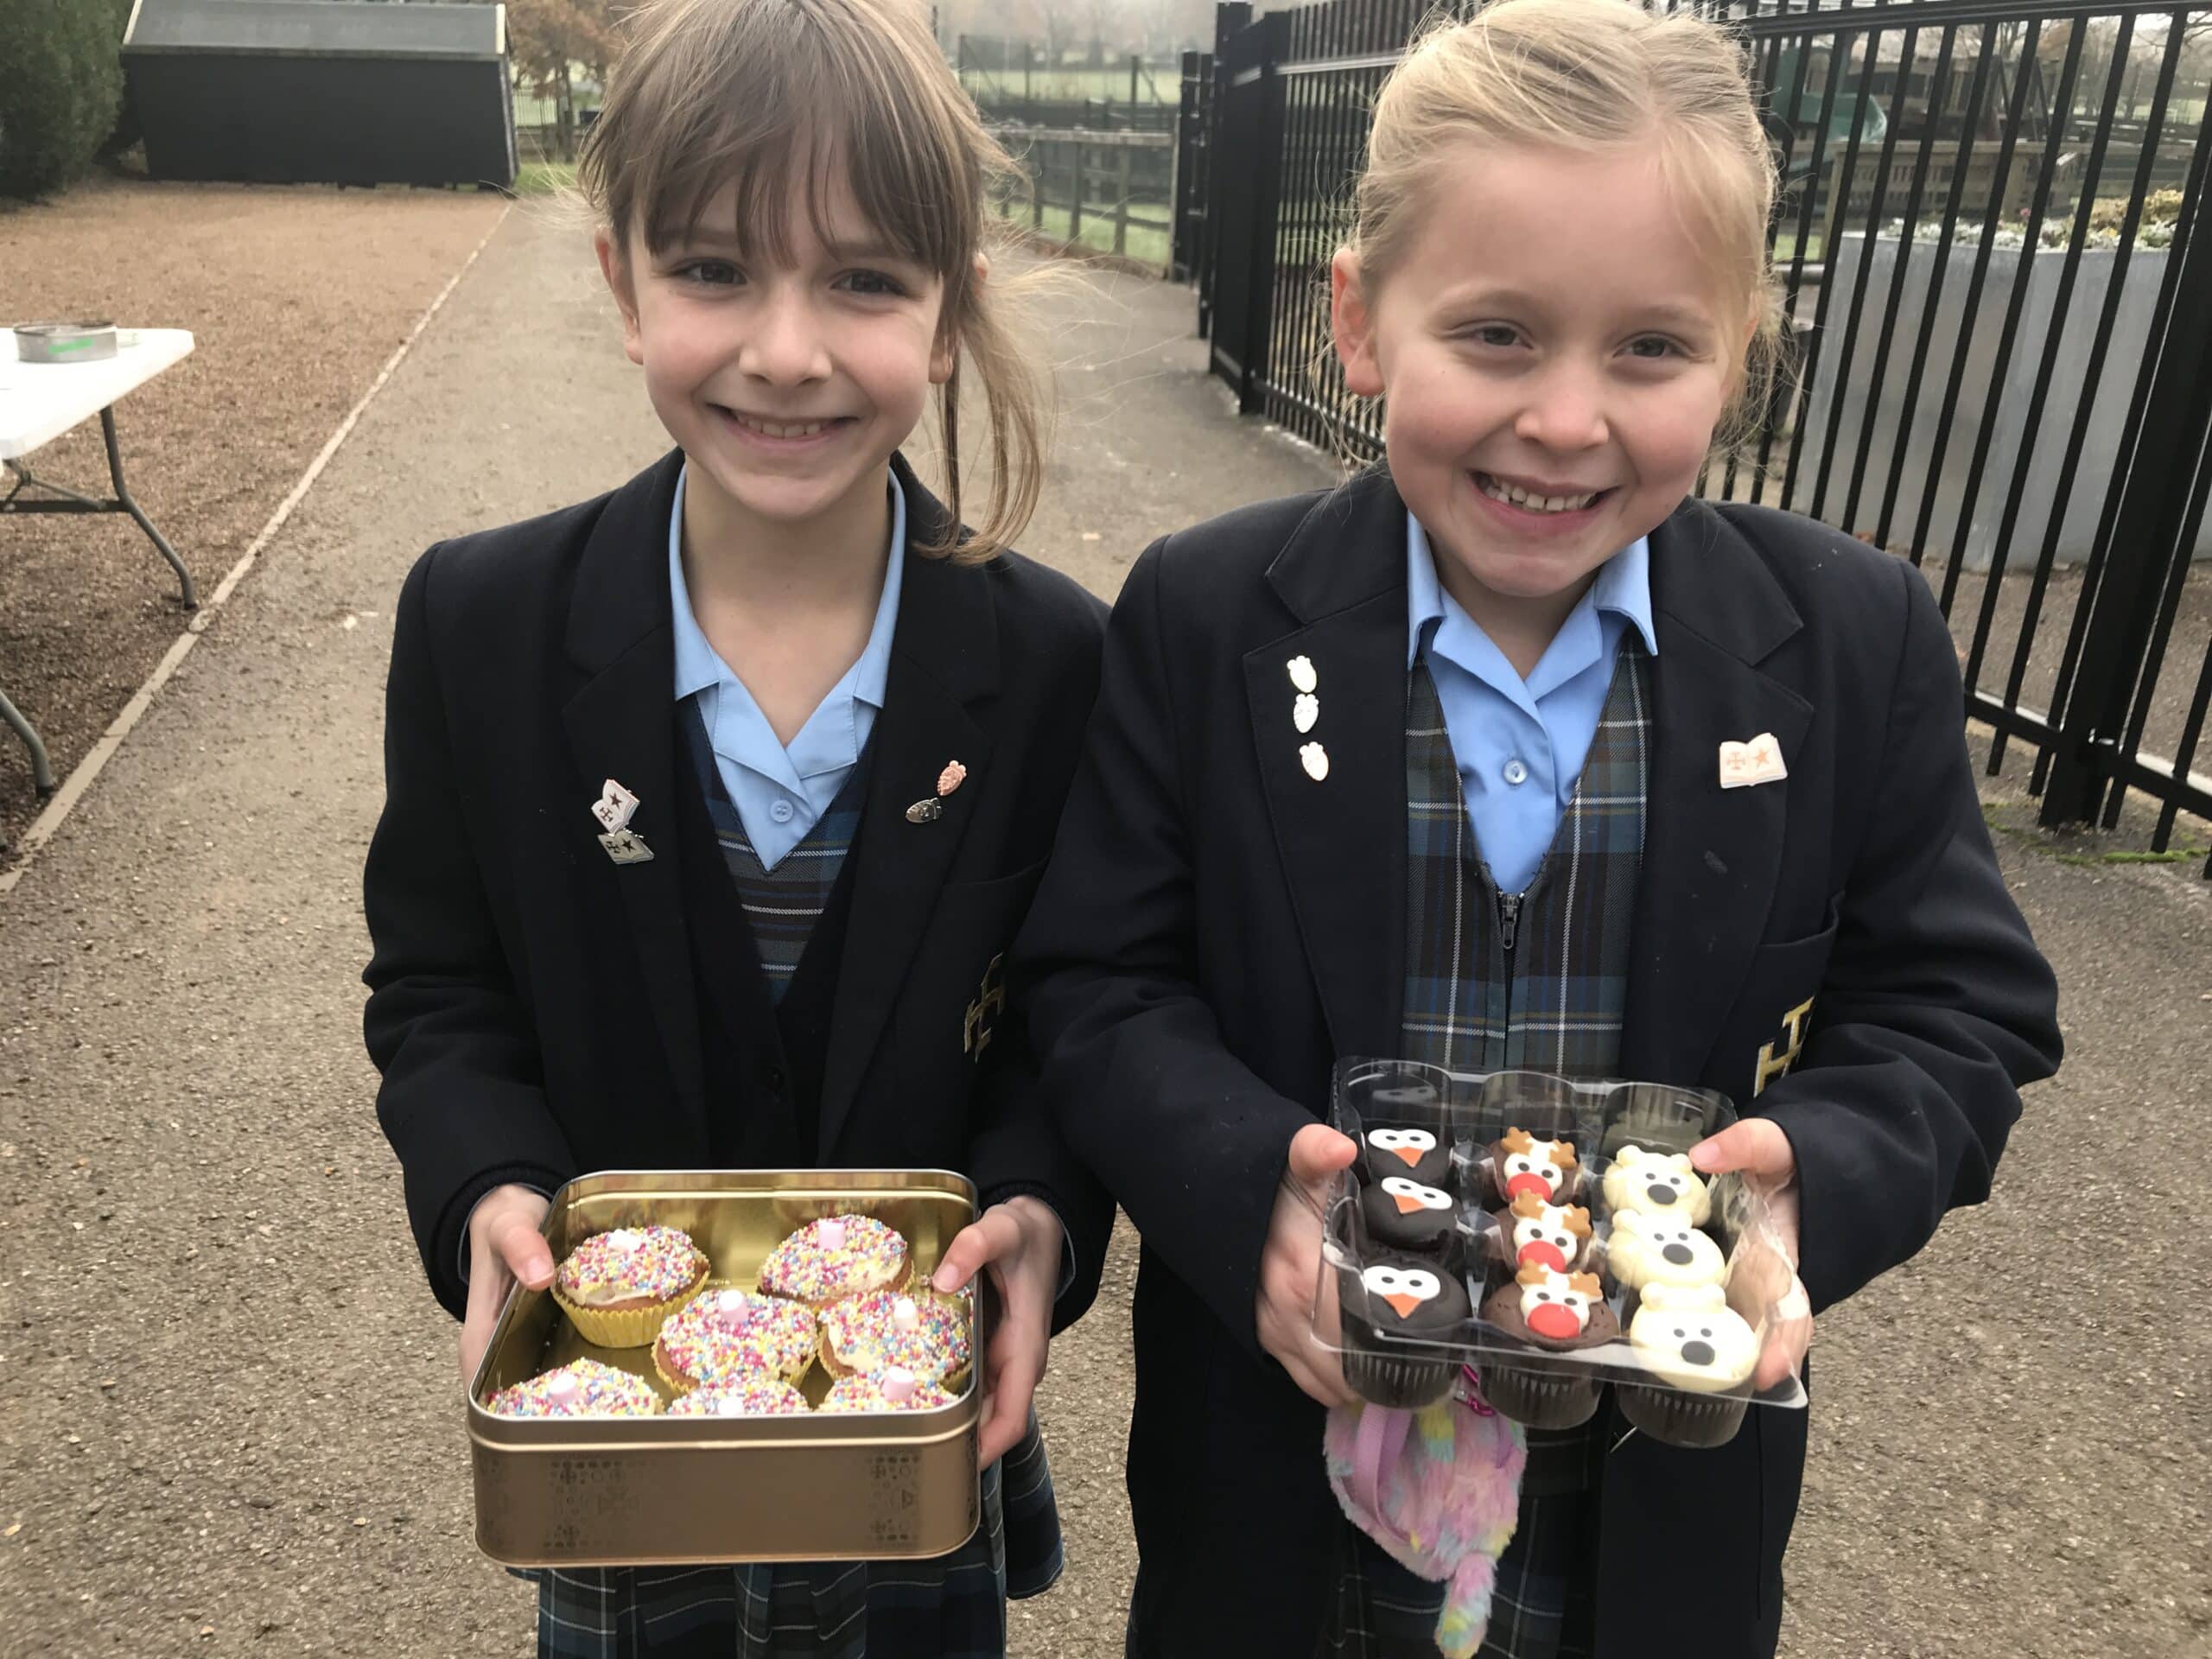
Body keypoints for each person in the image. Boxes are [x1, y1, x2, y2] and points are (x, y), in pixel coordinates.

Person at [1012, 1, 2063, 1654]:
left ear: (1739, 349)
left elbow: (1958, 1011)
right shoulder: (1209, 618)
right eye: (1497, 334)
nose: (1568, 420)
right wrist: (1243, 1190)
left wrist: (1818, 1183)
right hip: (1278, 1503)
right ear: (1361, 323)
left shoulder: (1851, 644)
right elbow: (1097, 981)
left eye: (1651, 349)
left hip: (1654, 1525)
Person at [361, 0, 1111, 1650]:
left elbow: (1078, 1014)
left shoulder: (1058, 661)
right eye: (713, 269)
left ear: (949, 301)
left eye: (862, 279)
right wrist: (484, 1175)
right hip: (620, 1452)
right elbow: (438, 985)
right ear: (623, 284)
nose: (787, 349)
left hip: (920, 1449)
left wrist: (1042, 1202)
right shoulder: (482, 625)